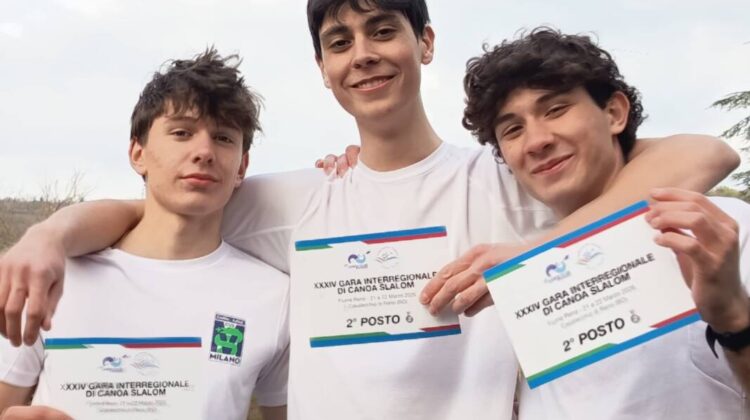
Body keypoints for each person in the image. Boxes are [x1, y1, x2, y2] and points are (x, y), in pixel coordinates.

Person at [0, 2, 740, 419]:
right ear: (323, 70)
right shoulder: (292, 199)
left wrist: (538, 258)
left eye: (383, 29)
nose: (363, 54)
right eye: (339, 41)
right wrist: (48, 233)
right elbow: (158, 207)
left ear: (424, 42)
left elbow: (703, 154)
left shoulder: (508, 174)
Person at [455, 28, 749, 419]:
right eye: (513, 130)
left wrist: (734, 319)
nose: (537, 141)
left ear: (614, 114)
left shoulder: (719, 231)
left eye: (555, 109)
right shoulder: (516, 276)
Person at [0, 49, 289, 420]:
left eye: (223, 138)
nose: (204, 151)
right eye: (182, 133)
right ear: (138, 153)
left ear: (241, 167)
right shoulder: (55, 276)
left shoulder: (274, 298)